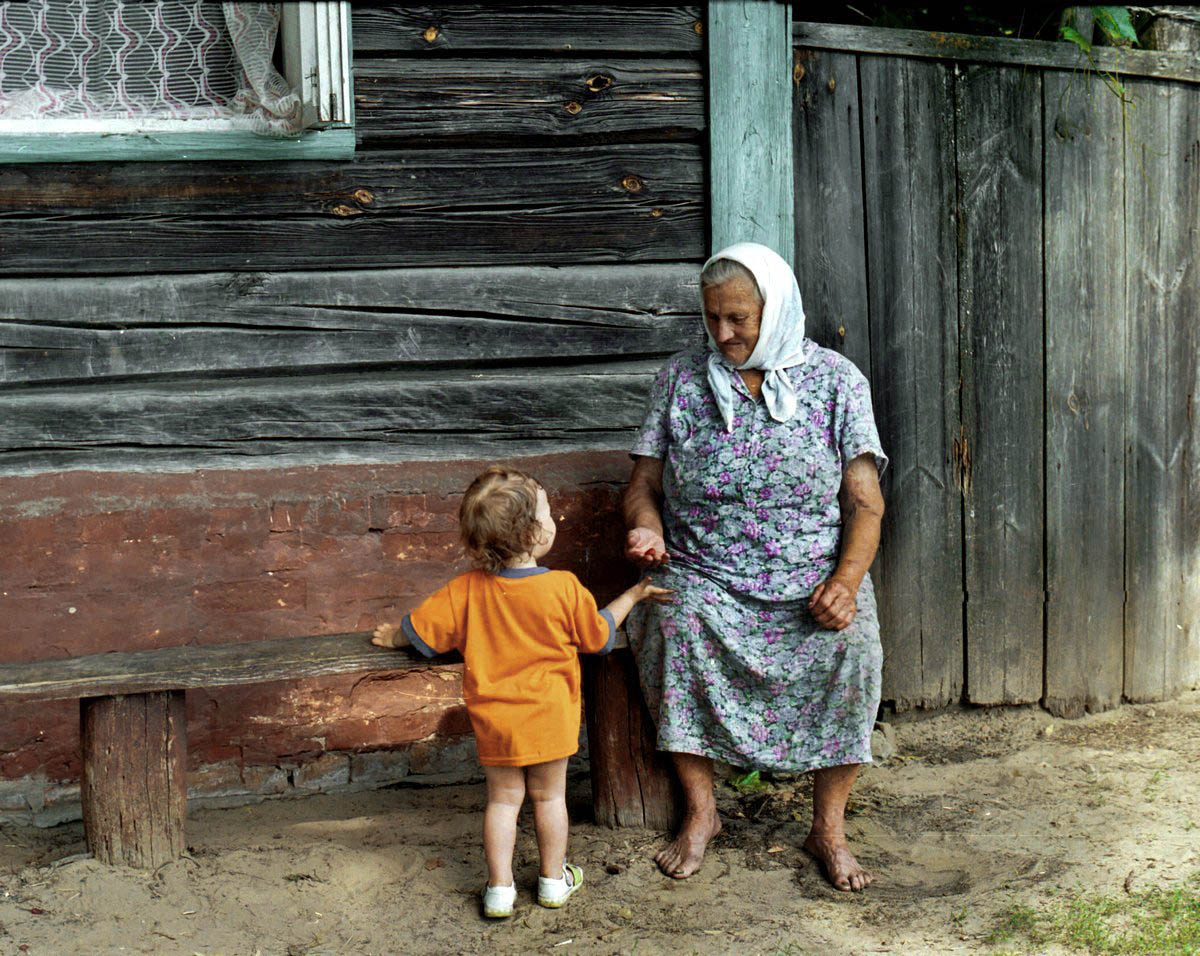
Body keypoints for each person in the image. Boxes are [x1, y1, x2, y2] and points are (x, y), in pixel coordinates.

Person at [623, 242, 887, 892]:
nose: (723, 333)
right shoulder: (683, 380)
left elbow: (865, 503)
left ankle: (827, 826)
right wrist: (647, 526)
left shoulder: (835, 382)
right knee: (674, 619)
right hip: (706, 576)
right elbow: (642, 485)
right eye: (712, 318)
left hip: (811, 581)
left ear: (776, 309)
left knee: (852, 645)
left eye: (738, 318)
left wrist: (846, 584)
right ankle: (702, 813)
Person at [372, 465, 672, 918]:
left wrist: (393, 635)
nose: (556, 521)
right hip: (551, 718)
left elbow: (422, 634)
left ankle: (499, 889)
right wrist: (633, 596)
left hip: (498, 723)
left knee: (502, 801)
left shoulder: (465, 591)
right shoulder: (563, 588)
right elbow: (598, 637)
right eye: (549, 513)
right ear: (534, 533)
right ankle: (553, 881)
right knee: (550, 799)